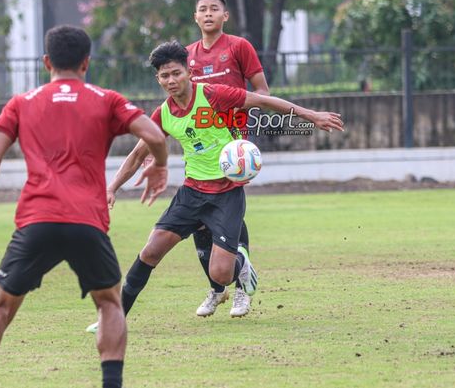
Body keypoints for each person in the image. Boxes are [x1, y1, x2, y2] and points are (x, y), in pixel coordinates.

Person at [0, 25, 169, 388]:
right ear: (86, 62)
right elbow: (155, 136)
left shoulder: (21, 102)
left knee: (0, 309)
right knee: (110, 304)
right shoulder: (107, 98)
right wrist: (159, 164)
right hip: (86, 221)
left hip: (37, 220)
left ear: (46, 61)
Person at [86, 40, 343, 333]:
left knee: (220, 274)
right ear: (158, 79)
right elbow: (136, 155)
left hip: (226, 195)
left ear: (189, 72)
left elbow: (264, 101)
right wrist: (111, 188)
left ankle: (241, 264)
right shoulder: (164, 114)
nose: (171, 80)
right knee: (150, 252)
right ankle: (112, 319)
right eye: (164, 76)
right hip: (191, 193)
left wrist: (311, 115)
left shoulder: (213, 95)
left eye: (176, 73)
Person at [186, 0, 270, 318]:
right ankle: (216, 287)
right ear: (196, 17)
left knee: (228, 210)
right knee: (198, 214)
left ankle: (238, 290)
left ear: (225, 15)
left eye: (214, 9)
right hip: (199, 146)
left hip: (232, 145)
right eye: (202, 9)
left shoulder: (238, 47)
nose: (208, 14)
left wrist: (241, 107)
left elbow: (262, 91)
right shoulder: (186, 56)